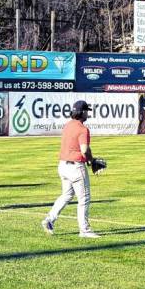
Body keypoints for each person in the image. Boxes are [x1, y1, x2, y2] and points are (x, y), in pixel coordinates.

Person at [41, 100, 100, 238]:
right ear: (82, 112)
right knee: (84, 198)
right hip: (76, 167)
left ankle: (49, 219)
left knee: (66, 195)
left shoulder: (68, 125)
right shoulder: (82, 129)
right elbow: (84, 150)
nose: (88, 113)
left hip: (62, 165)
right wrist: (92, 160)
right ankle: (84, 230)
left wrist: (91, 159)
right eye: (87, 111)